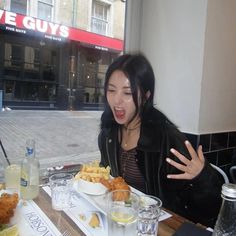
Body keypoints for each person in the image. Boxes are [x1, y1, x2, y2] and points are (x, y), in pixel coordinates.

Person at [98, 53, 224, 227]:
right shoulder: (108, 133)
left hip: (159, 227)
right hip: (122, 220)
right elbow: (106, 173)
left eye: (128, 92)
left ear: (146, 96)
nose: (117, 100)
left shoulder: (167, 139)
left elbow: (212, 209)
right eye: (111, 90)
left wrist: (202, 177)